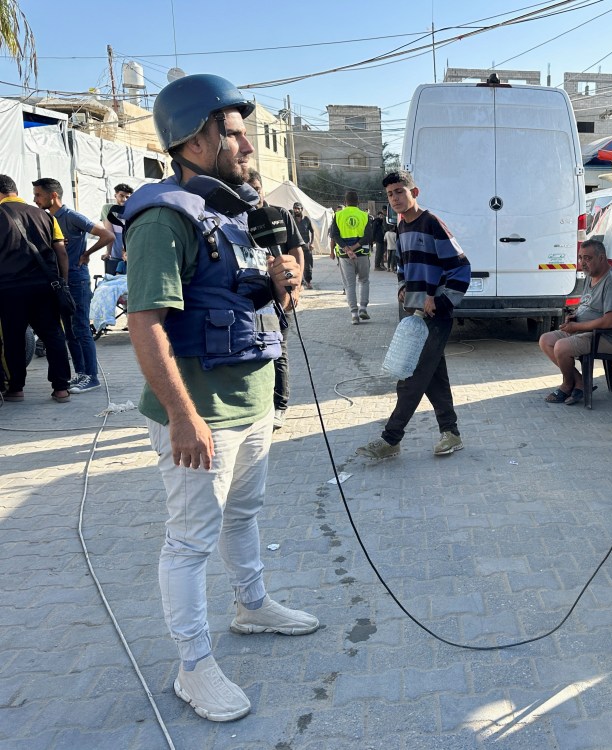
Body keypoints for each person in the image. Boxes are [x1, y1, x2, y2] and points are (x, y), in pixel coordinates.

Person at [124, 73, 318, 723]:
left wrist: (284, 283)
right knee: (190, 540)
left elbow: (262, 304)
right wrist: (182, 417)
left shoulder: (237, 210)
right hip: (200, 411)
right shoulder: (161, 217)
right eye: (234, 133)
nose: (247, 146)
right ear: (195, 138)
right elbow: (145, 323)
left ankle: (252, 606)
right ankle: (192, 666)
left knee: (245, 513)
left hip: (253, 398)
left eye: (246, 133)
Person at [357, 170, 471, 460]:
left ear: (414, 193)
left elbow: (461, 268)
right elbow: (402, 264)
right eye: (390, 194)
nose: (395, 198)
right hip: (413, 314)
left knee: (411, 377)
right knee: (434, 377)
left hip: (435, 315)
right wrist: (403, 285)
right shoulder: (402, 227)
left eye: (399, 192)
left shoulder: (432, 223)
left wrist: (440, 300)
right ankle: (451, 433)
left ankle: (391, 439)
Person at [31, 177, 115, 394]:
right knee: (69, 330)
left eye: (38, 195)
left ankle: (92, 376)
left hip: (76, 279)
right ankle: (81, 374)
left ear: (53, 195)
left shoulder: (70, 216)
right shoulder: (48, 219)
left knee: (80, 328)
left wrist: (86, 254)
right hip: (62, 282)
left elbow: (107, 234)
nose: (35, 199)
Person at [0, 174, 73, 403]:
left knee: (13, 338)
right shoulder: (45, 215)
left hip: (9, 289)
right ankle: (61, 388)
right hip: (45, 286)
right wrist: (63, 283)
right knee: (53, 336)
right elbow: (60, 251)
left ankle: (16, 388)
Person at [245, 169, 306, 431]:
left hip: (277, 296)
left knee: (278, 349)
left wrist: (296, 286)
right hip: (248, 297)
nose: (253, 192)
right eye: (248, 188)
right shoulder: (237, 218)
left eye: (257, 187)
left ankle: (280, 405)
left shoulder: (280, 215)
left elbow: (296, 250)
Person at [539, 239, 612, 405]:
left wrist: (577, 326)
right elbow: (588, 306)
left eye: (588, 258)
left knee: (561, 346)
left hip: (608, 337)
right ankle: (581, 382)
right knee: (545, 340)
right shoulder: (590, 277)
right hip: (586, 331)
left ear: (602, 258)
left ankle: (568, 384)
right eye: (580, 258)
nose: (583, 263)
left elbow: (610, 321)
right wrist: (575, 316)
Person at [330, 191, 371, 324]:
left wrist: (347, 249)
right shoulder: (365, 215)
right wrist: (354, 248)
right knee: (364, 281)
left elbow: (335, 235)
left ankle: (354, 314)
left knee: (349, 285)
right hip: (362, 254)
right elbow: (368, 237)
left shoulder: (338, 215)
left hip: (344, 256)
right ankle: (363, 308)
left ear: (345, 202)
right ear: (358, 202)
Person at [101, 183, 133, 275]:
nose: (124, 199)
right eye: (121, 196)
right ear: (115, 195)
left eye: (127, 197)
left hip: (131, 255)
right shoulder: (108, 209)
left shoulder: (133, 210)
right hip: (116, 253)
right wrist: (108, 252)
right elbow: (109, 233)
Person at [291, 201, 317, 289]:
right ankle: (300, 283)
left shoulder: (306, 220)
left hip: (306, 247)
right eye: (295, 208)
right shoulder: (291, 220)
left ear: (302, 209)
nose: (296, 210)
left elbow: (312, 231)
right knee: (297, 265)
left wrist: (312, 243)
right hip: (296, 247)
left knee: (308, 266)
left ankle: (308, 282)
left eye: (298, 209)